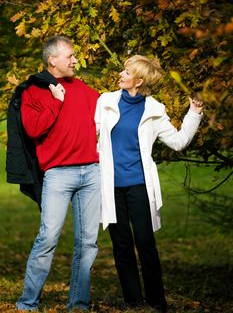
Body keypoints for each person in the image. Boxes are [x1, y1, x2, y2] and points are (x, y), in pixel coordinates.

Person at [95, 55, 203, 313]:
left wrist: (194, 114)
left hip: (139, 186)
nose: (121, 74)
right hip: (110, 186)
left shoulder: (155, 110)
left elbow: (178, 142)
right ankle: (133, 300)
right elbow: (92, 135)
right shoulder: (106, 101)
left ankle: (157, 301)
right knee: (121, 245)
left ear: (139, 81)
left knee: (145, 243)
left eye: (126, 72)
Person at [16, 36, 101, 311]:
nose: (76, 60)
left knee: (88, 243)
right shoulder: (33, 91)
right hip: (58, 175)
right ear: (52, 60)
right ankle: (27, 303)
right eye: (71, 56)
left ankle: (78, 303)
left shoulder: (85, 90)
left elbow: (108, 114)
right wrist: (55, 102)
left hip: (92, 173)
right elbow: (33, 129)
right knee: (48, 237)